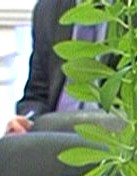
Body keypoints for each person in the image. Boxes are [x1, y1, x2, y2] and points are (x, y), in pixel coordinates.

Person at [5, 0, 100, 135]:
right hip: (54, 135)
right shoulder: (48, 9)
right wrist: (27, 121)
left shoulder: (130, 15)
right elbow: (37, 95)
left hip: (110, 136)